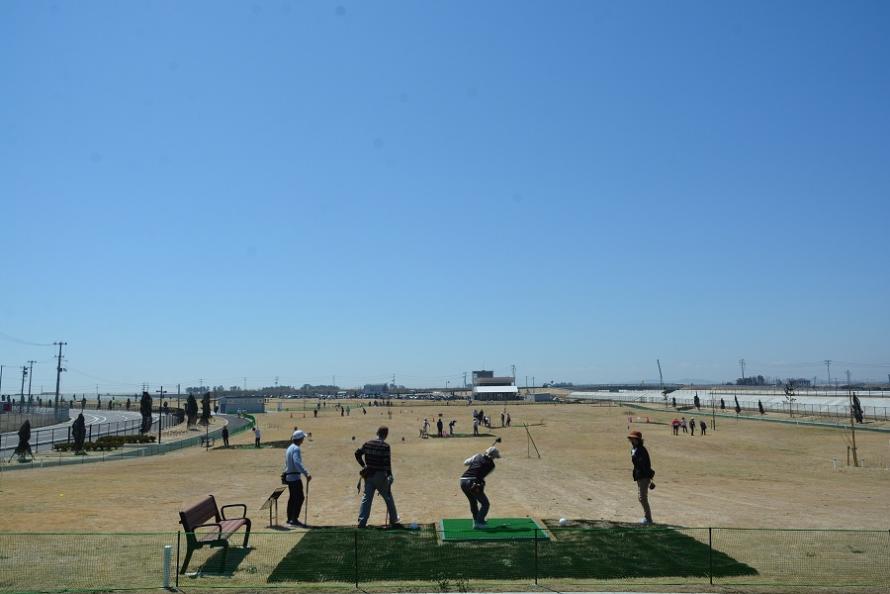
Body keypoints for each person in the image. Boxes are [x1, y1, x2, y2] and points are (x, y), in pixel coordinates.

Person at [355, 426, 401, 528]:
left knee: (366, 499)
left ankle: (362, 522)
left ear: (377, 432)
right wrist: (390, 476)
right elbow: (387, 463)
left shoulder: (367, 444)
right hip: (381, 476)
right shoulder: (385, 446)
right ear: (386, 435)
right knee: (388, 497)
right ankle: (393, 519)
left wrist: (364, 466)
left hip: (369, 475)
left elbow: (357, 454)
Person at [460, 446, 501, 529]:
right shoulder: (492, 465)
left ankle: (476, 521)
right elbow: (482, 475)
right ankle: (479, 522)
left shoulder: (477, 456)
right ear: (493, 457)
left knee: (473, 502)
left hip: (462, 481)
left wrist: (477, 460)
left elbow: (465, 463)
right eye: (495, 457)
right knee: (485, 504)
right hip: (472, 483)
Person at [284, 430, 312, 527]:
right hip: (295, 477)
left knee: (292, 498)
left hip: (289, 477)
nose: (303, 440)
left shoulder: (289, 448)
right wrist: (306, 473)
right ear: (299, 439)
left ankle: (289, 519)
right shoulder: (296, 449)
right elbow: (297, 462)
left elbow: (286, 463)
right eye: (303, 438)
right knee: (299, 498)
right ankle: (294, 519)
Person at [627, 430, 655, 525]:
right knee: (641, 498)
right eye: (631, 438)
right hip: (639, 476)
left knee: (642, 497)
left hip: (644, 476)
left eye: (633, 438)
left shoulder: (641, 450)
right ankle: (648, 518)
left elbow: (645, 465)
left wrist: (648, 478)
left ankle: (648, 519)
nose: (631, 440)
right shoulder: (634, 449)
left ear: (638, 440)